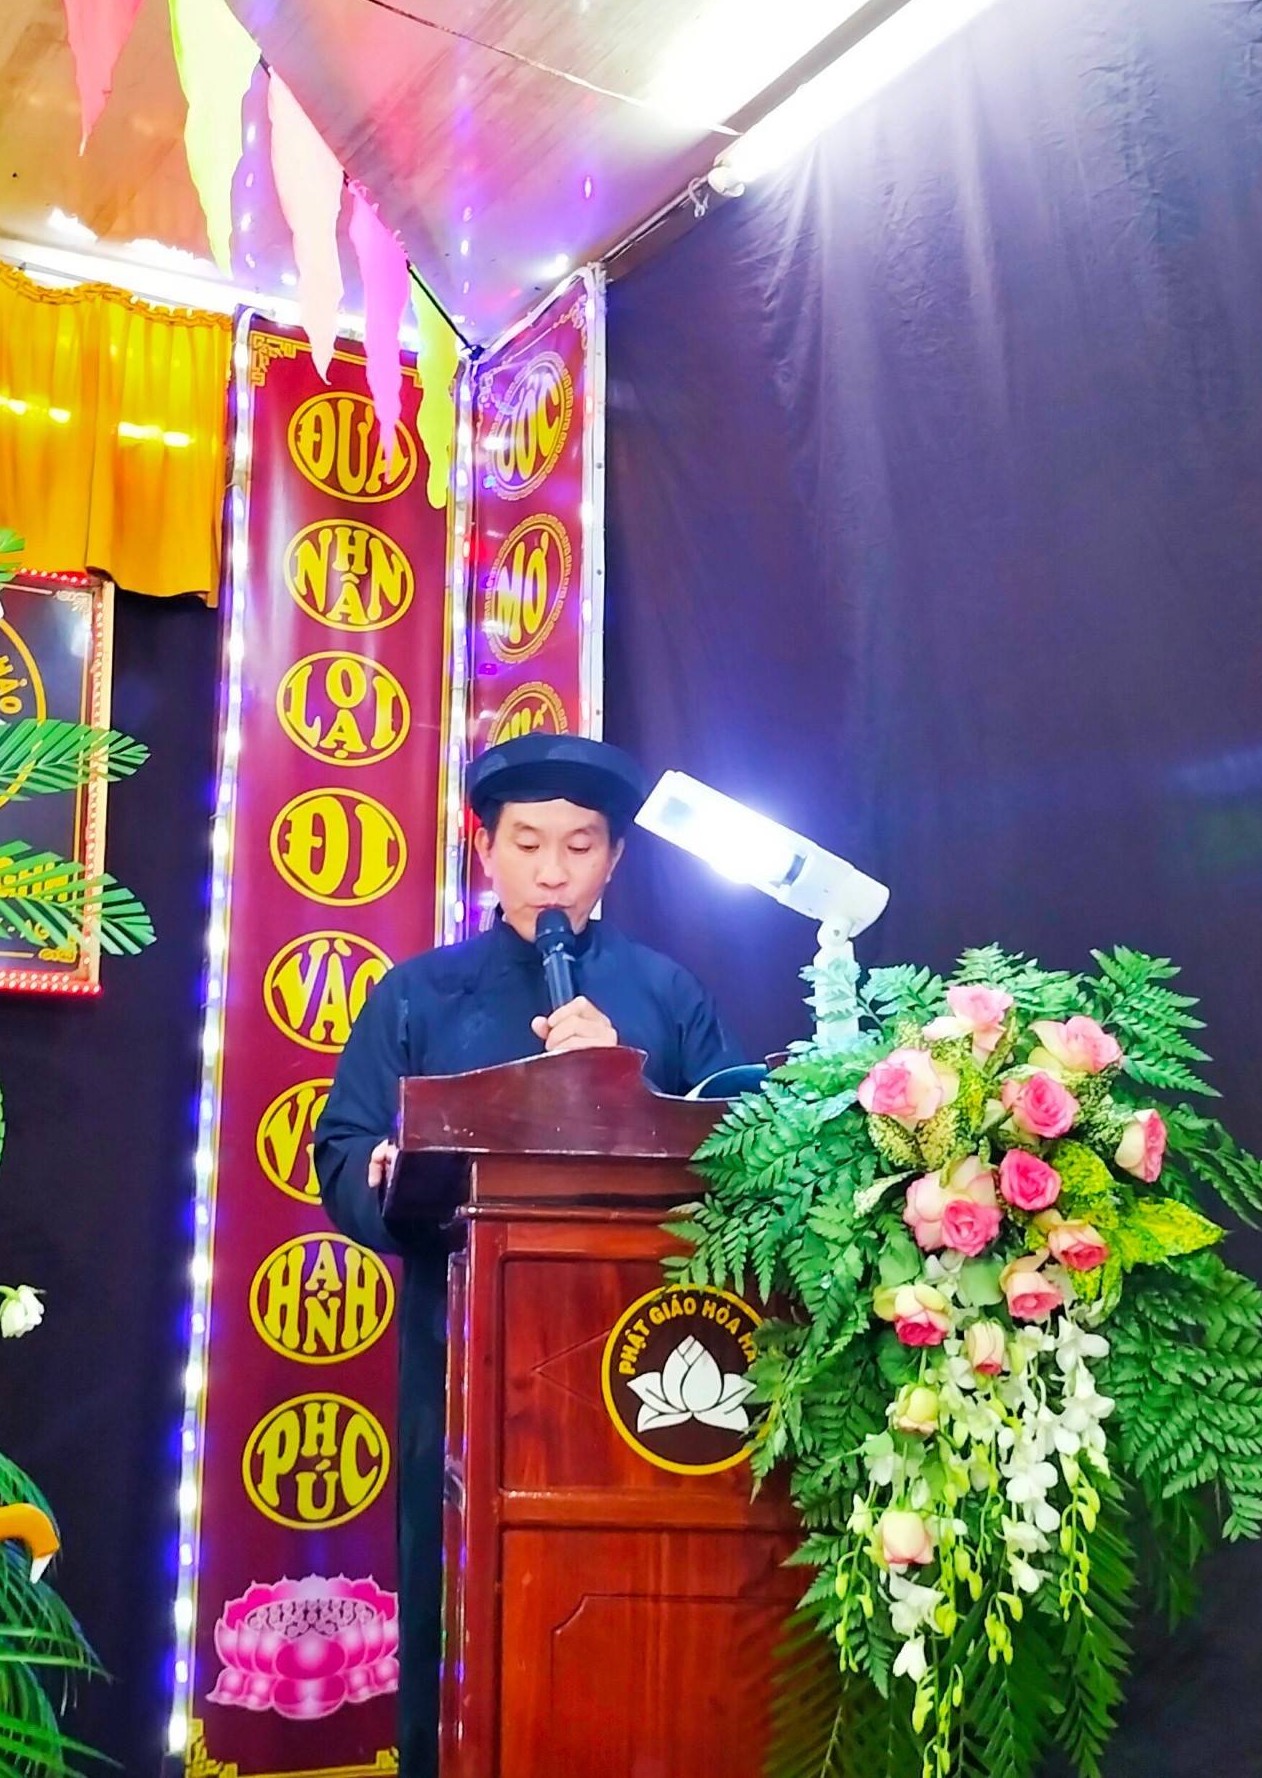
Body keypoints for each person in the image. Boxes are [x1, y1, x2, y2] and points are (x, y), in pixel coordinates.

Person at [311, 733, 742, 1778]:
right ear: (485, 852)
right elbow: (342, 1149)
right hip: (462, 1358)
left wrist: (627, 1088)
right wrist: (385, 1175)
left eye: (580, 847)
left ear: (614, 860)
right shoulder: (417, 995)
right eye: (528, 844)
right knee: (456, 1606)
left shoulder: (664, 992)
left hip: (638, 1363)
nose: (553, 872)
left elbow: (742, 1143)